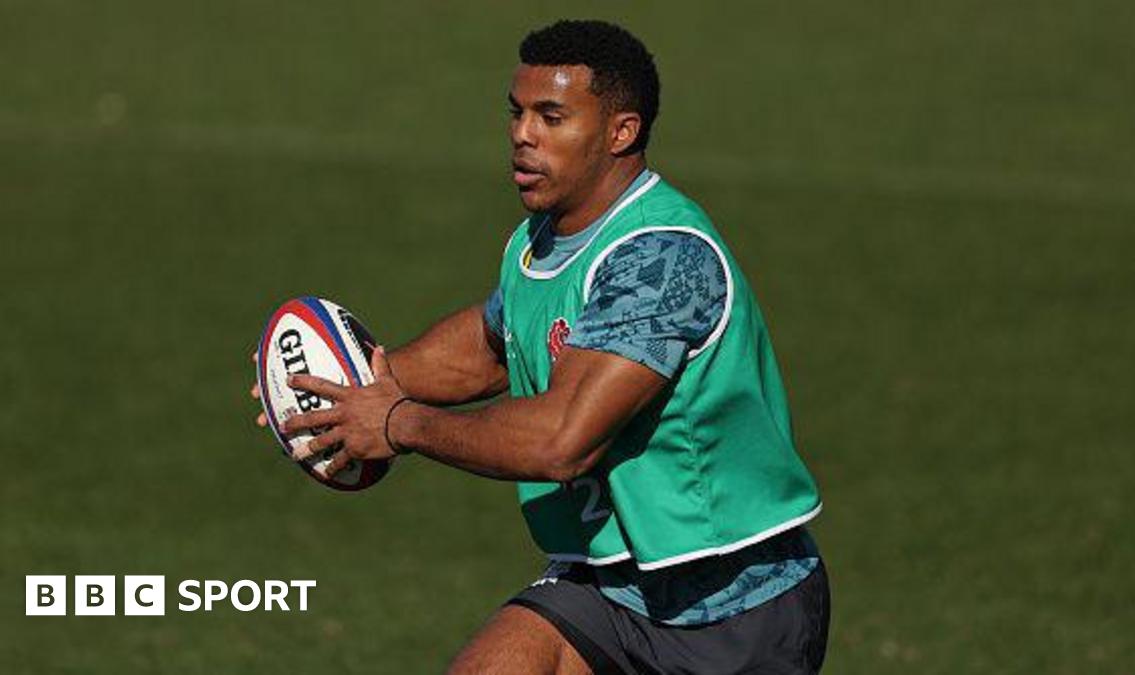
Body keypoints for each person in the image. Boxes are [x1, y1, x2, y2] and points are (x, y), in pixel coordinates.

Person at [256, 19, 829, 674]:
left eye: (551, 118)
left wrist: (397, 422)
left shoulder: (661, 259)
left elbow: (562, 441)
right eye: (517, 112)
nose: (522, 135)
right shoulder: (544, 240)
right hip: (605, 588)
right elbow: (491, 344)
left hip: (736, 607)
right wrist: (344, 386)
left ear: (621, 131)